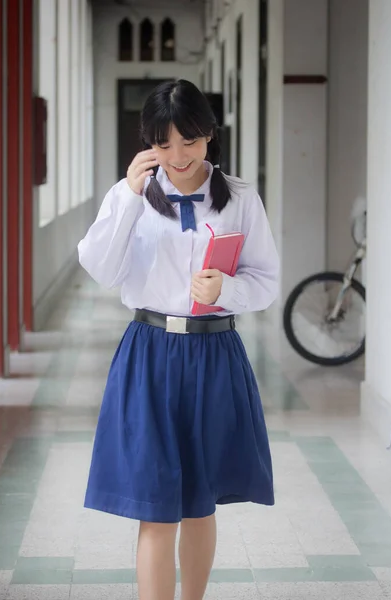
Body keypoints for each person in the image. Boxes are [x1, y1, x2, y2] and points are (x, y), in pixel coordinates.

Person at [78, 79, 279, 600]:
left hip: (215, 354)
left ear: (209, 134)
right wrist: (127, 195)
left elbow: (267, 284)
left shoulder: (239, 198)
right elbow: (99, 267)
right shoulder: (132, 195)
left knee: (199, 501)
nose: (178, 155)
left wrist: (226, 288)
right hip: (149, 354)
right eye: (163, 144)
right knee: (154, 504)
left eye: (189, 140)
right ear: (148, 142)